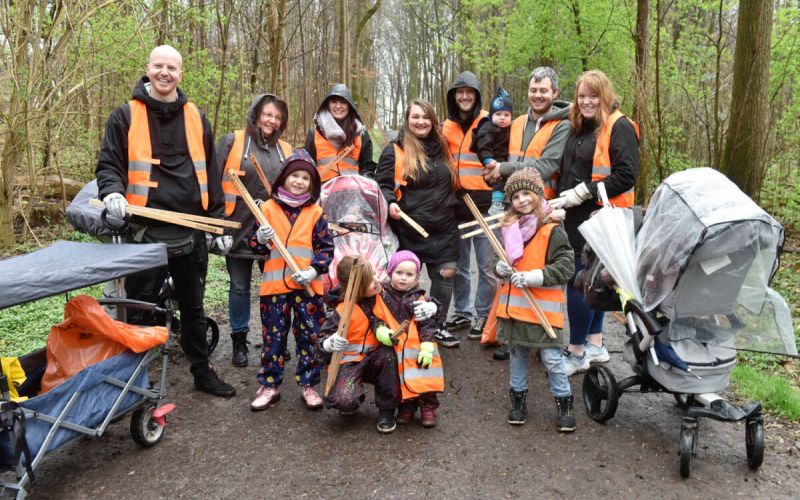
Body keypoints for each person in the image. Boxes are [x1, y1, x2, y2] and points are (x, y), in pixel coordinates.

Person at [96, 45, 235, 397]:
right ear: (147, 68)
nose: (164, 73)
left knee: (193, 308)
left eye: (171, 67)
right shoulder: (124, 116)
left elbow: (211, 174)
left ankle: (202, 373)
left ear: (180, 73)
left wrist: (217, 224)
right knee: (140, 308)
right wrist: (112, 192)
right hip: (145, 230)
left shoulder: (196, 117)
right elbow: (110, 164)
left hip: (190, 229)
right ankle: (134, 385)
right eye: (158, 66)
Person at [550, 70, 639, 376]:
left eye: (593, 96)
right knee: (595, 281)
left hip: (602, 216)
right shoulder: (579, 127)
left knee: (581, 282)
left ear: (606, 97)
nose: (586, 101)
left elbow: (626, 175)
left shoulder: (619, 127)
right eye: (582, 96)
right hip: (577, 215)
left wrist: (583, 192)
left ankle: (575, 351)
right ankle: (595, 344)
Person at [483, 66, 572, 361]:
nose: (537, 95)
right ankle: (512, 335)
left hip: (539, 210)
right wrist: (491, 166)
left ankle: (542, 336)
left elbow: (546, 166)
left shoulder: (562, 125)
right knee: (512, 265)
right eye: (534, 90)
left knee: (536, 272)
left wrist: (503, 170)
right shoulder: (518, 122)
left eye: (544, 90)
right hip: (515, 205)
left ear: (554, 93)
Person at [248, 150, 333, 410]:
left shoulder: (316, 213)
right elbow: (255, 247)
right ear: (284, 177)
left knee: (310, 337)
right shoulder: (266, 209)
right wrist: (260, 239)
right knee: (273, 340)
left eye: (305, 178)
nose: (299, 181)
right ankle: (270, 385)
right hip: (274, 289)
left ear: (312, 183)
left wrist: (314, 270)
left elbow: (326, 249)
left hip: (308, 290)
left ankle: (309, 385)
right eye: (294, 175)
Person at [494, 169, 575, 432]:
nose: (522, 200)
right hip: (516, 310)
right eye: (515, 196)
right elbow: (510, 262)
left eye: (526, 193)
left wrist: (535, 277)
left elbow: (566, 267)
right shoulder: (511, 228)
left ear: (538, 194)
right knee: (517, 356)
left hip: (542, 311)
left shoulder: (552, 229)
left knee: (552, 359)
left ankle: (565, 404)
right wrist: (501, 269)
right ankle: (518, 403)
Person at [376, 99, 461, 348]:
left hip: (444, 226)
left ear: (433, 121)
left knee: (445, 275)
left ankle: (438, 325)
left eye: (426, 117)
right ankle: (405, 325)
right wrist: (390, 202)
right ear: (407, 120)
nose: (421, 122)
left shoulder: (444, 147)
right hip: (410, 227)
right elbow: (382, 183)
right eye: (415, 117)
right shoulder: (396, 149)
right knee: (404, 278)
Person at [217, 93, 293, 368]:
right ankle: (239, 341)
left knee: (274, 289)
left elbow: (294, 187)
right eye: (267, 114)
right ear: (257, 114)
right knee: (239, 287)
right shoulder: (233, 141)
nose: (271, 120)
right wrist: (216, 227)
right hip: (236, 228)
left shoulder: (286, 149)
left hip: (273, 232)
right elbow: (214, 183)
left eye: (277, 116)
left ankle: (275, 340)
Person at [441, 71, 497, 341]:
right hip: (457, 205)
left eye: (469, 92)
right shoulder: (446, 126)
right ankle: (462, 311)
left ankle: (483, 313)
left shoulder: (489, 121)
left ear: (476, 95)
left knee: (487, 266)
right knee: (460, 266)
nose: (464, 97)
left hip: (485, 206)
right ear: (453, 96)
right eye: (459, 92)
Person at [319, 256, 401, 433]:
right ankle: (353, 397)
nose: (375, 281)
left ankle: (387, 409)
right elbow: (319, 346)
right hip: (350, 362)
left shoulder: (384, 294)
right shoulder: (341, 309)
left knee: (388, 355)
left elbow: (409, 296)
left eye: (373, 275)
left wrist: (430, 306)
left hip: (377, 357)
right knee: (344, 401)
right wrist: (328, 344)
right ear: (353, 287)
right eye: (368, 280)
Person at [375, 250, 443, 428]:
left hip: (419, 348)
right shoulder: (382, 295)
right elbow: (378, 317)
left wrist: (427, 344)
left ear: (417, 277)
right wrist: (381, 331)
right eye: (399, 273)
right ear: (390, 273)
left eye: (409, 274)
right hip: (397, 348)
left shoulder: (419, 299)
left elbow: (427, 323)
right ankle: (407, 408)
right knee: (402, 379)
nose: (403, 278)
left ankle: (428, 409)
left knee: (424, 377)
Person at [304, 84, 376, 182]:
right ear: (328, 104)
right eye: (334, 102)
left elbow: (367, 167)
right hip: (322, 191)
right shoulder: (314, 133)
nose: (338, 106)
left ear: (349, 106)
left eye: (343, 102)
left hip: (353, 190)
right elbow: (307, 166)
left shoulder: (361, 133)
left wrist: (364, 182)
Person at [470, 86, 514, 215]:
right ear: (491, 115)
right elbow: (483, 144)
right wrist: (487, 158)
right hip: (494, 158)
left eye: (506, 115)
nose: (502, 118)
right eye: (498, 114)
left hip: (508, 160)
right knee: (498, 178)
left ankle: (504, 201)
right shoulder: (488, 127)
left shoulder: (512, 127)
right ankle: (496, 204)